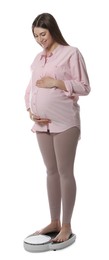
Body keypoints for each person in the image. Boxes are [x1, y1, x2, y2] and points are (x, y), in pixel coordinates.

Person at [25, 12, 90, 243]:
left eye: (43, 34)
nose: (40, 39)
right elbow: (29, 89)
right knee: (50, 172)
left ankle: (66, 225)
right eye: (35, 36)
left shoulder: (71, 53)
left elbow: (84, 87)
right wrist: (30, 110)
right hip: (41, 124)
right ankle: (53, 221)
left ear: (52, 29)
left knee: (64, 172)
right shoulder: (38, 59)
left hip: (65, 123)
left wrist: (57, 82)